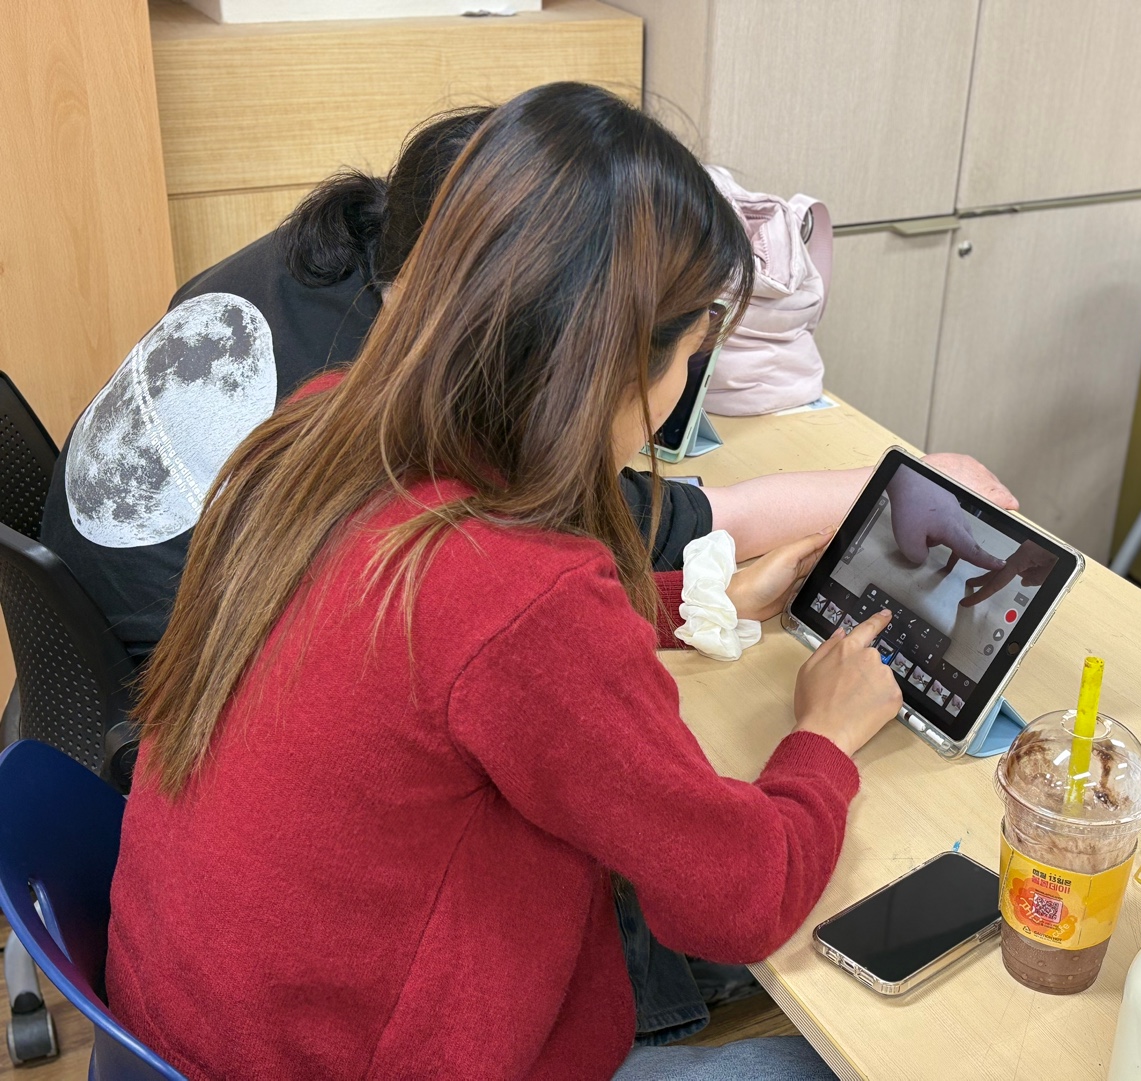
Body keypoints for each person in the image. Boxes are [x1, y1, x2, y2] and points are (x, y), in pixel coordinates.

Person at [106, 83, 905, 1080]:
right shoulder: (519, 597)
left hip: (173, 1036)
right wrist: (825, 737)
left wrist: (686, 601)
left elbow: (445, 655)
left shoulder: (311, 434)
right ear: (616, 361)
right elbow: (739, 898)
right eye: (692, 357)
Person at [41, 108, 1014, 664]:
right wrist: (908, 484)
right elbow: (658, 531)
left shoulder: (325, 259)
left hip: (98, 662)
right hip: (188, 723)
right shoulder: (405, 443)